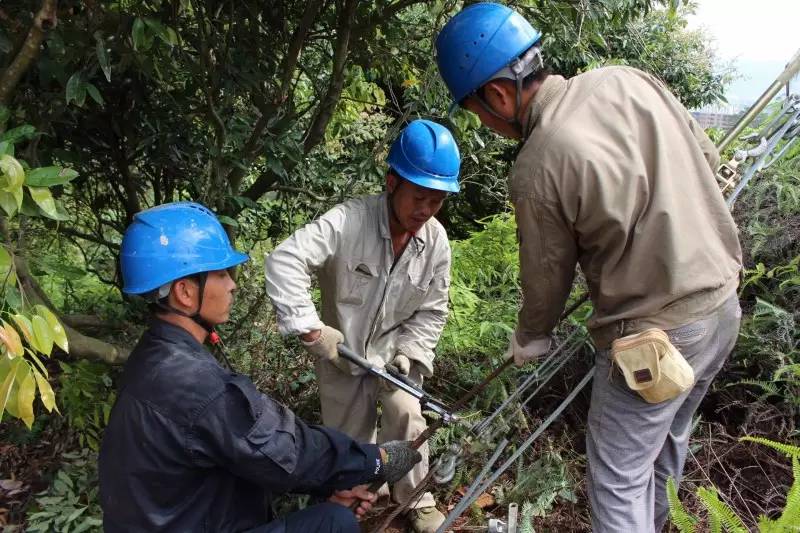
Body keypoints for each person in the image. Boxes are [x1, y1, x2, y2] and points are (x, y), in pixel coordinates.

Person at [435, 3, 742, 532]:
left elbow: (546, 279)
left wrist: (531, 338)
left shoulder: (538, 166)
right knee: (665, 443)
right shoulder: (628, 80)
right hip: (721, 308)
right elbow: (711, 165)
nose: (486, 123)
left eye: (477, 111)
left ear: (498, 94)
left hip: (654, 337)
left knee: (617, 481)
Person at [98, 201, 422, 533]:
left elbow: (243, 457)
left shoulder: (151, 357)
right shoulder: (193, 382)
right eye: (221, 274)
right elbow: (284, 449)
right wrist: (373, 462)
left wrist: (329, 487)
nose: (232, 285)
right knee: (334, 524)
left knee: (329, 514)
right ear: (184, 292)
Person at [264, 119, 460, 532]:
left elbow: (432, 310)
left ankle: (416, 498)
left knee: (407, 416)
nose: (425, 210)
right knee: (347, 440)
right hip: (342, 354)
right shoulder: (347, 222)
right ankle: (358, 499)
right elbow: (285, 260)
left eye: (437, 201)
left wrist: (411, 354)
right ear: (392, 182)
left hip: (394, 359)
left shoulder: (436, 241)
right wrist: (312, 330)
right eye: (419, 197)